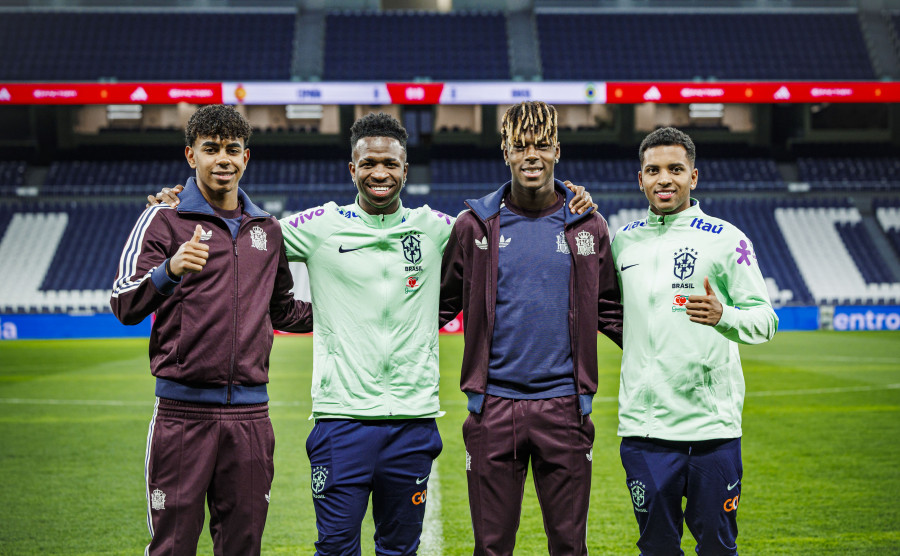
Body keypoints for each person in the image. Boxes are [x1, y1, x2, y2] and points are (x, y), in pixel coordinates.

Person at [149, 111, 595, 555]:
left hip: (413, 419)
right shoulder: (319, 225)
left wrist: (571, 196)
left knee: (399, 550)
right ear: (352, 169)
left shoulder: (442, 228)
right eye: (368, 164)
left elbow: (509, 225)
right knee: (337, 549)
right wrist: (187, 202)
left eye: (390, 164)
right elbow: (246, 234)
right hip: (341, 418)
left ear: (405, 169)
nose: (379, 173)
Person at [110, 104, 313, 556]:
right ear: (190, 155)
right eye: (210, 149)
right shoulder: (163, 220)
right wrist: (169, 270)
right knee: (173, 547)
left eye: (232, 149)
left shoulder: (268, 230)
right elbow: (123, 302)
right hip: (182, 416)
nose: (222, 158)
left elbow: (283, 311)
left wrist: (352, 309)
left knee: (243, 546)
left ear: (246, 158)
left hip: (251, 419)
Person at [438, 100, 624, 556]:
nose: (531, 155)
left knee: (568, 545)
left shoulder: (588, 226)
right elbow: (436, 307)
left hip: (564, 409)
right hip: (493, 410)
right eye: (520, 146)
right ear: (505, 152)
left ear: (557, 149)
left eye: (541, 145)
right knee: (492, 547)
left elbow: (612, 312)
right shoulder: (473, 226)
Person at [612, 127, 778, 555]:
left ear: (694, 177)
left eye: (675, 169)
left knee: (718, 548)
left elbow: (765, 319)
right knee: (658, 548)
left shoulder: (726, 239)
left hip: (712, 430)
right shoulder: (623, 242)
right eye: (653, 170)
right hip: (646, 431)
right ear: (641, 179)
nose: (664, 179)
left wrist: (726, 317)